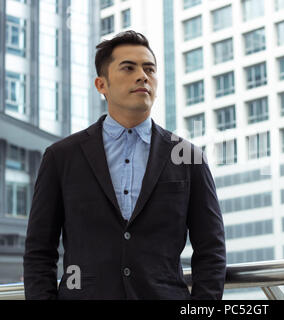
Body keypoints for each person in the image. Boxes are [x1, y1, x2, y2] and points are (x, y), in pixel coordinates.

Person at [23, 31, 226, 300]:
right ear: (101, 84)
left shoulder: (189, 157)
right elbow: (39, 251)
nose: (142, 75)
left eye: (149, 69)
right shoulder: (61, 157)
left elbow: (211, 250)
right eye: (128, 68)